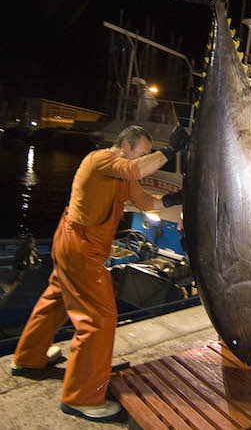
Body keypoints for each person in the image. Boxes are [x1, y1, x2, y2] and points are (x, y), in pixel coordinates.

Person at [11, 124, 188, 422]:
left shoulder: (124, 174)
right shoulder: (100, 160)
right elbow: (136, 171)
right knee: (100, 318)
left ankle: (28, 359)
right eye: (142, 153)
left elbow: (146, 202)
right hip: (81, 247)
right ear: (125, 147)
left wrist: (178, 198)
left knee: (56, 299)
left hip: (73, 244)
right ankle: (82, 398)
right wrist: (169, 152)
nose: (144, 159)